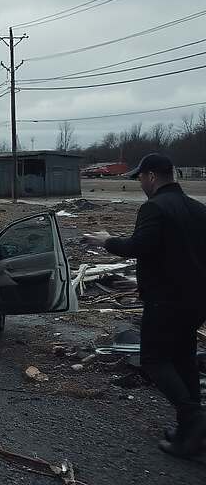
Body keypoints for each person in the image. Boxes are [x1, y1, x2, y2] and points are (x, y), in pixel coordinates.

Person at [83, 153, 206, 458]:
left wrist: (106, 240)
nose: (139, 183)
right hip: (195, 301)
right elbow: (181, 257)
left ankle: (194, 418)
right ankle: (190, 434)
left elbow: (139, 247)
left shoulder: (154, 207)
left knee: (154, 360)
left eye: (140, 177)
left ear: (151, 176)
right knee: (184, 360)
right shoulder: (198, 209)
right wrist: (142, 283)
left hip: (167, 303)